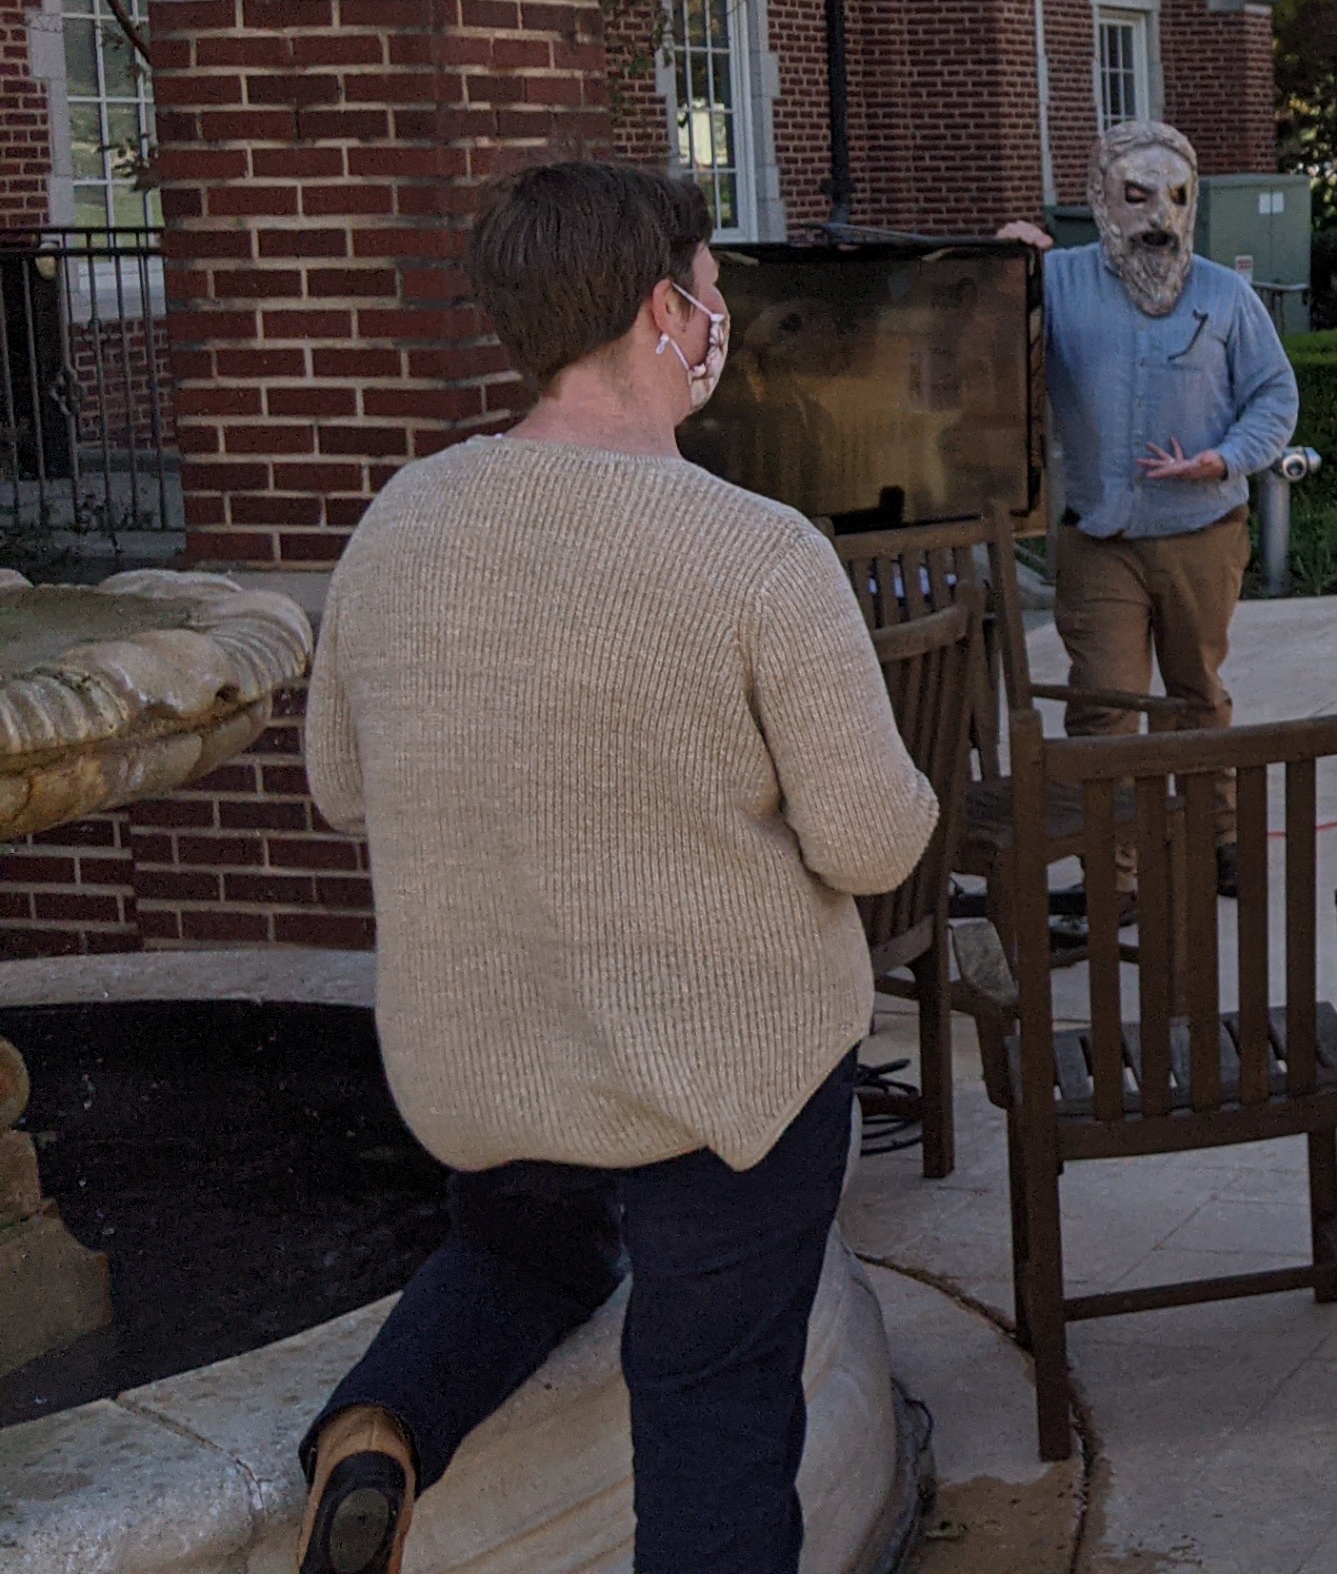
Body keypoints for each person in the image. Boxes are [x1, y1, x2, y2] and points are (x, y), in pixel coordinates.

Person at [291, 161, 940, 1574]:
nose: (721, 321)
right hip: (723, 1088)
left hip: (493, 1064)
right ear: (661, 309)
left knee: (524, 1252)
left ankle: (378, 1432)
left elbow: (341, 790)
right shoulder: (757, 554)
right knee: (713, 1416)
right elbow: (877, 840)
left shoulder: (400, 523)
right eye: (712, 295)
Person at [995, 123, 1297, 732]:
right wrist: (1000, 268)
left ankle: (1211, 827)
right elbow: (986, 362)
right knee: (1102, 702)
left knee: (1197, 700)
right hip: (1101, 537)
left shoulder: (1228, 294)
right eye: (1137, 196)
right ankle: (1113, 829)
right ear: (1100, 199)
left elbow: (1274, 394)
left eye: (1179, 197)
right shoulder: (1053, 282)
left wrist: (1226, 457)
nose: (1160, 216)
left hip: (1202, 534)